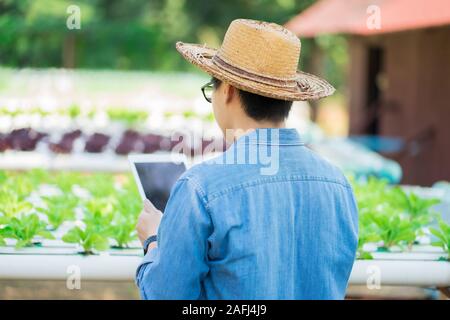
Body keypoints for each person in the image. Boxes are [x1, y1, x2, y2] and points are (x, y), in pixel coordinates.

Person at [135, 19, 358, 300]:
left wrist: (154, 241)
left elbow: (164, 295)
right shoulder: (338, 184)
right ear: (286, 99)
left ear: (227, 90)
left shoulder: (200, 188)